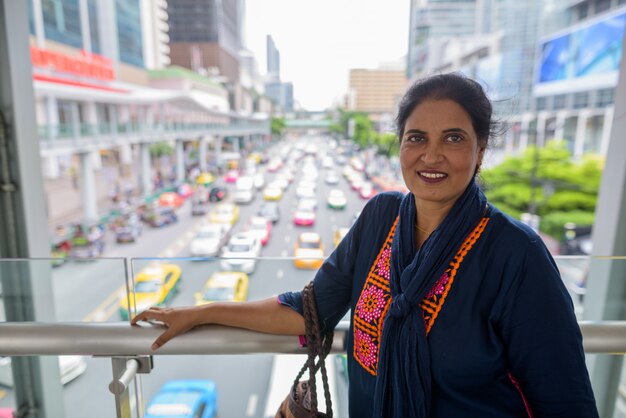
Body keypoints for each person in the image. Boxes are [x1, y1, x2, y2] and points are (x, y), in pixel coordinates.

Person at [132, 73, 598, 417]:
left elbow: (566, 401)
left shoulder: (516, 255)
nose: (431, 155)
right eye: (417, 138)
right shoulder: (382, 218)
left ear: (480, 150)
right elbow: (310, 309)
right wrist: (202, 312)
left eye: (453, 138)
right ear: (400, 146)